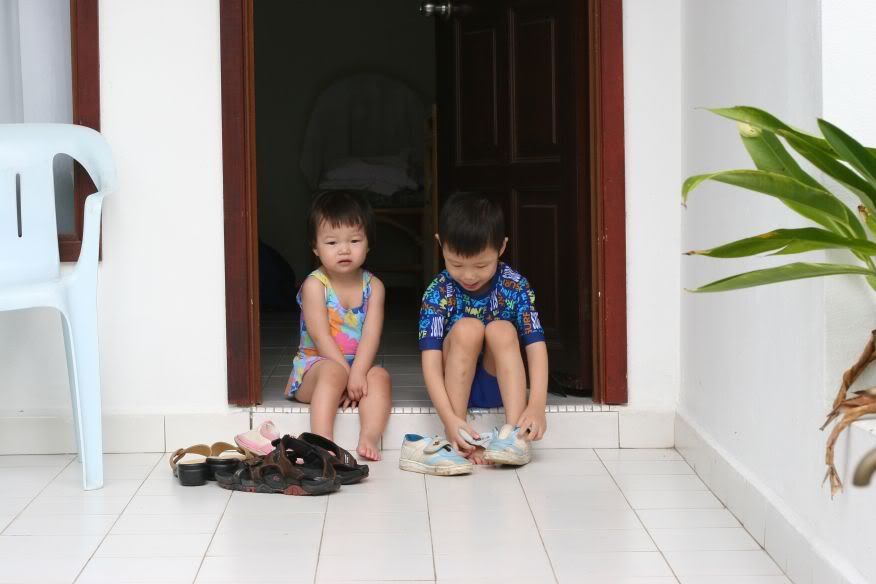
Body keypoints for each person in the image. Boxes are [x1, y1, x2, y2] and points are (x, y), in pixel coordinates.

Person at [418, 192, 548, 465]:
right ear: (440, 244)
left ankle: (514, 437)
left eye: (481, 265)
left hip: (497, 384)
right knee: (468, 329)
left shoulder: (514, 285)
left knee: (502, 329)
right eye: (456, 264)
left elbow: (536, 345)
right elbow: (430, 363)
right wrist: (448, 419)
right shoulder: (437, 292)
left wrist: (537, 404)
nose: (468, 275)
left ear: (501, 248)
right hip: (452, 389)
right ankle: (461, 437)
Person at [286, 191, 391, 461]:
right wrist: (346, 373)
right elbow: (321, 337)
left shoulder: (374, 287)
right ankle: (322, 444)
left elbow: (371, 335)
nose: (344, 249)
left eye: (354, 241)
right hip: (317, 370)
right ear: (315, 247)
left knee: (380, 376)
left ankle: (369, 436)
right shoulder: (315, 285)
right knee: (333, 372)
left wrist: (358, 372)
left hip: (356, 371)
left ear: (368, 243)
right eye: (332, 242)